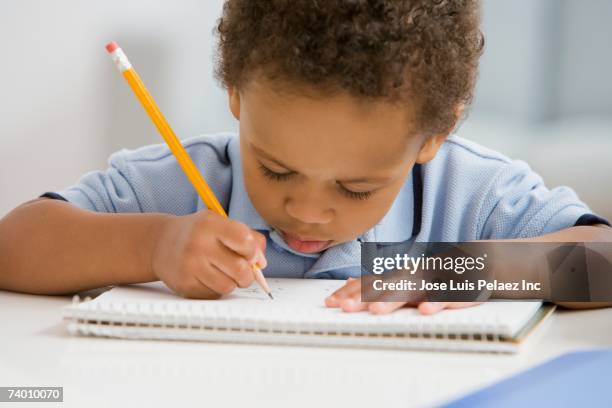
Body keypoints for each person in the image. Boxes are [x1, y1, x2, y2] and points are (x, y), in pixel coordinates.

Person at [1, 0, 610, 315]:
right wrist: (153, 245)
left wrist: (463, 271)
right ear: (236, 96)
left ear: (433, 136)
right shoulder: (180, 185)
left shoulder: (468, 192)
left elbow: (603, 261)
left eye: (355, 188)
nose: (309, 209)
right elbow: (13, 246)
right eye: (276, 169)